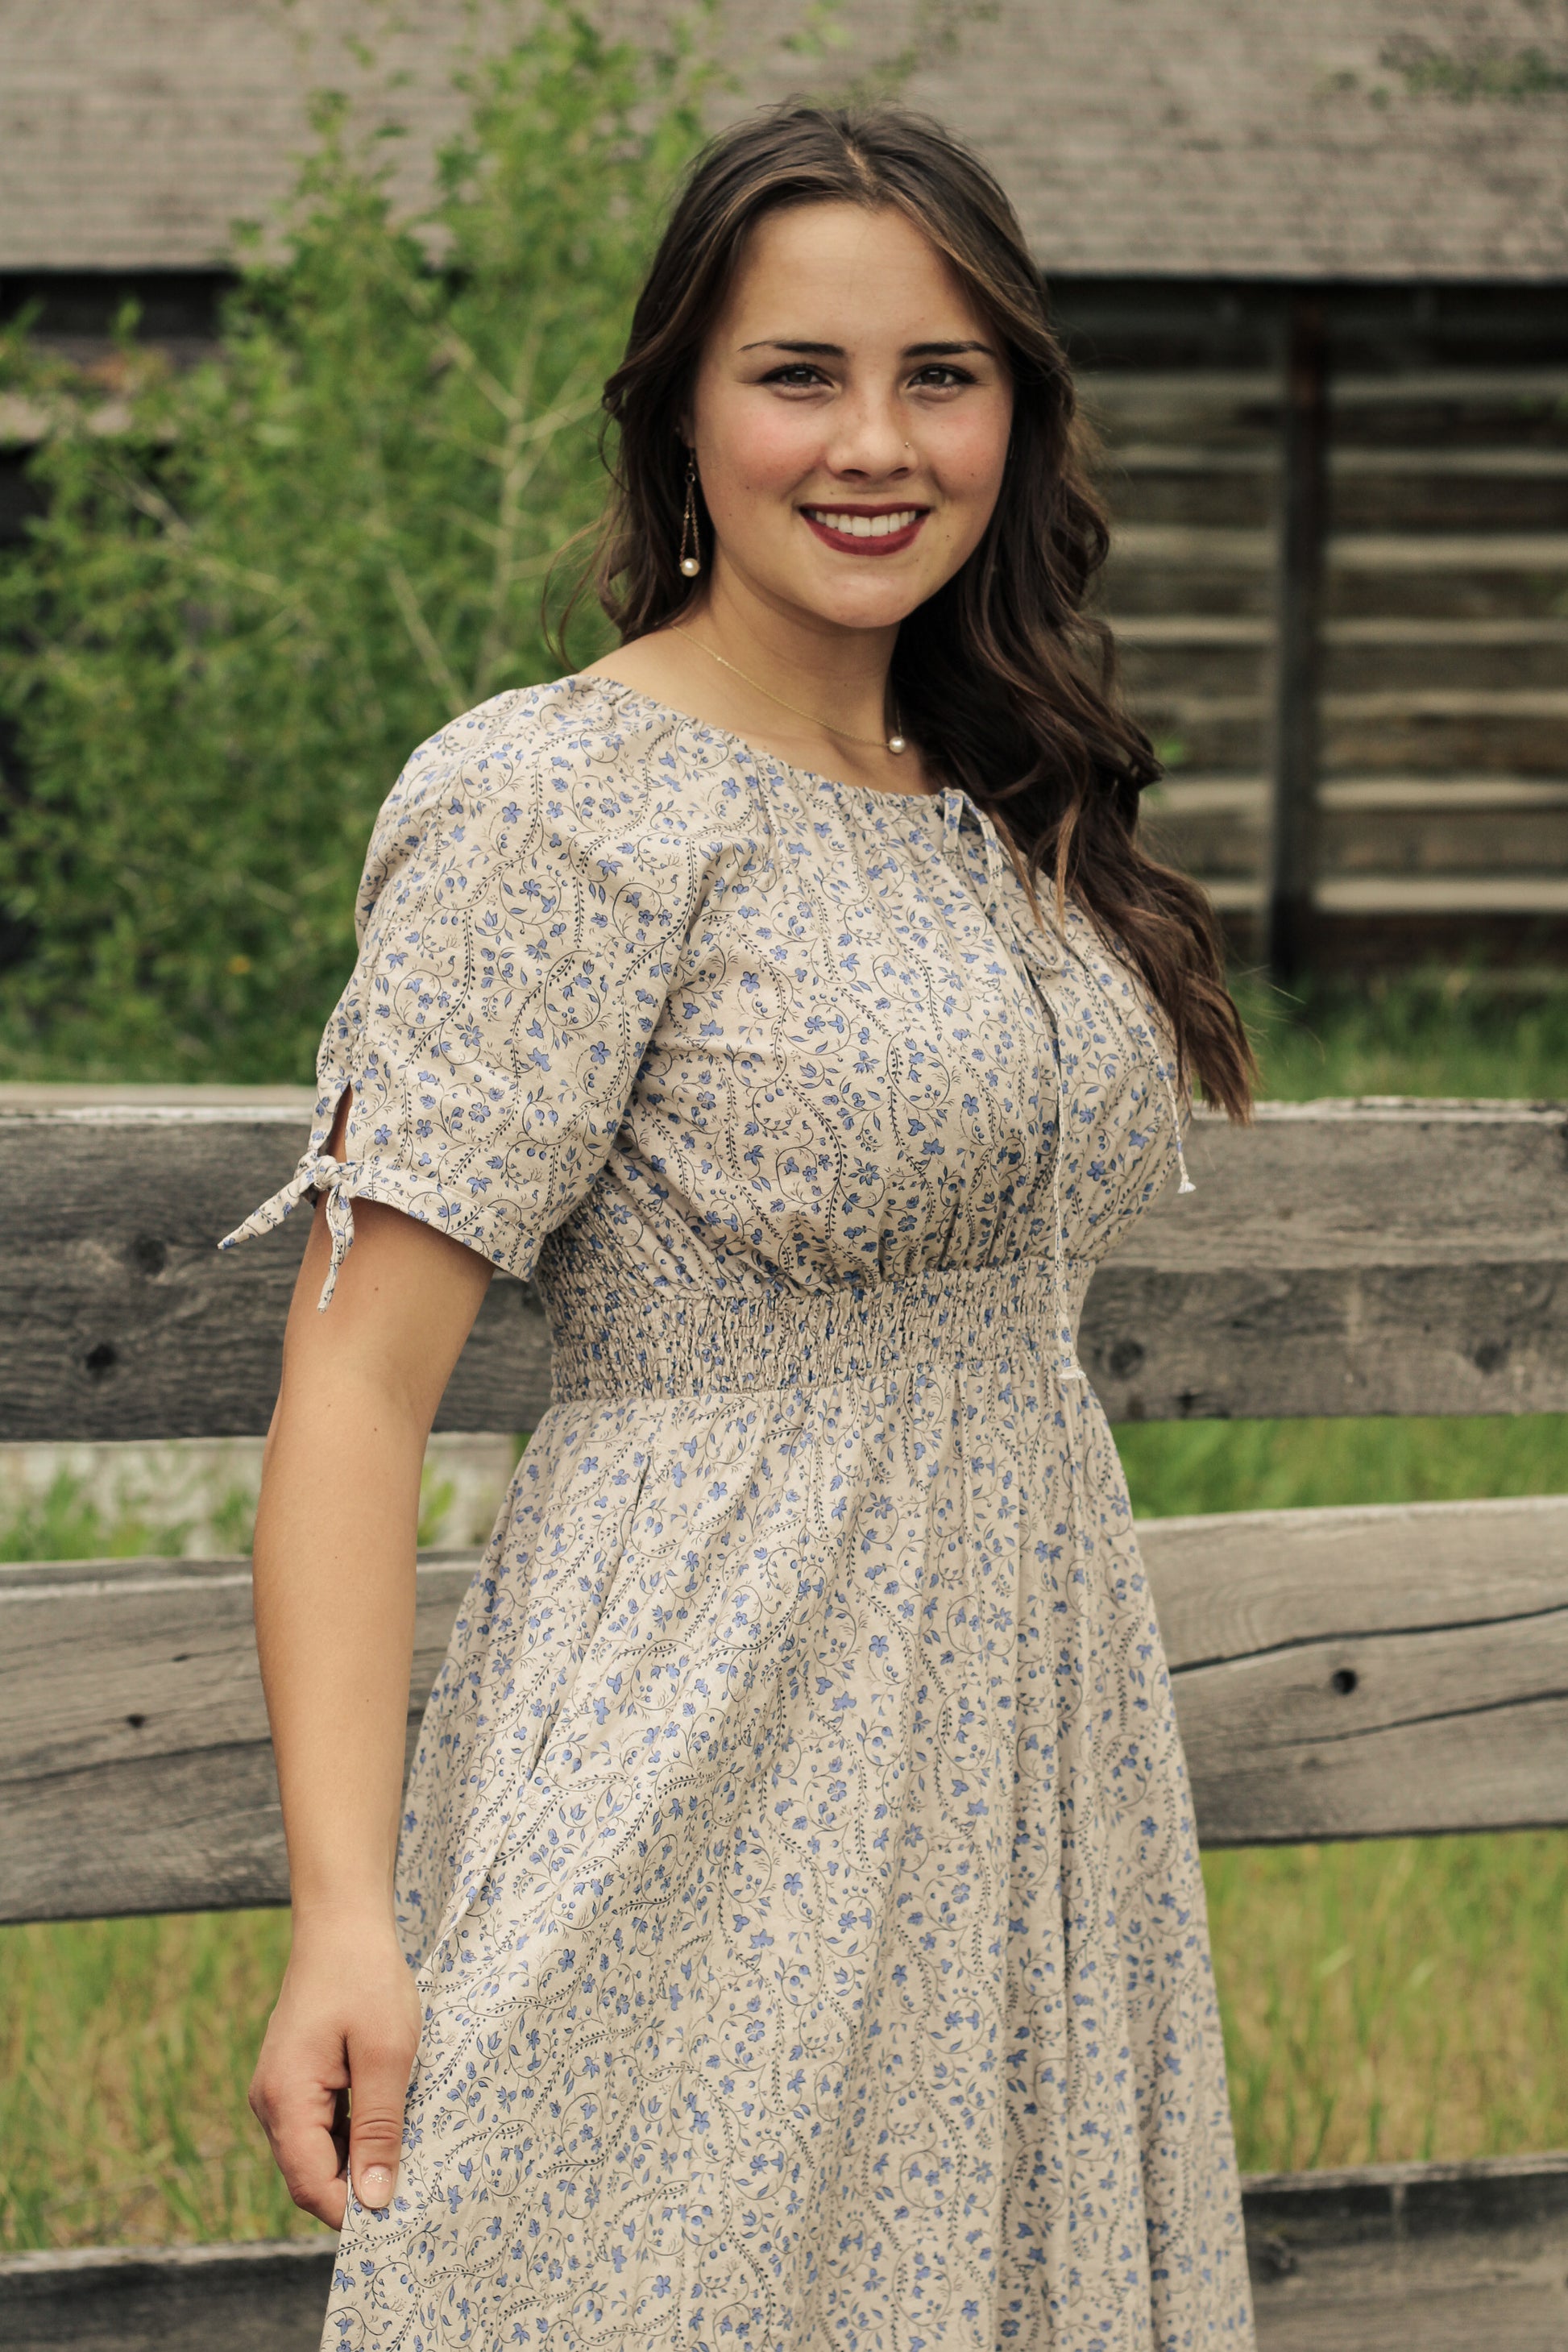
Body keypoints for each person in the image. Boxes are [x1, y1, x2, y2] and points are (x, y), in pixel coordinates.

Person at [225, 100, 1259, 2352]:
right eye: (797, 373)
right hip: (708, 1728)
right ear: (680, 409)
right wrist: (342, 1911)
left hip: (1019, 1735)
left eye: (941, 374)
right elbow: (355, 1383)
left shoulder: (995, 795)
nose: (873, 442)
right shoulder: (557, 805)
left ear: (1017, 412)